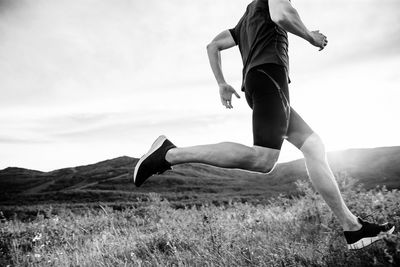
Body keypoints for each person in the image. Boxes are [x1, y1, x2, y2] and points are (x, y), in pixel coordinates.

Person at [133, 0, 394, 250]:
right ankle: (168, 154)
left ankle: (353, 228)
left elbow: (212, 46)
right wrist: (310, 36)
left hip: (261, 82)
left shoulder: (247, 18)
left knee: (313, 145)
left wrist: (222, 83)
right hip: (270, 76)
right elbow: (282, 15)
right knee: (264, 160)